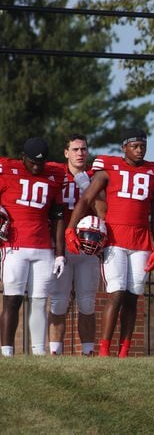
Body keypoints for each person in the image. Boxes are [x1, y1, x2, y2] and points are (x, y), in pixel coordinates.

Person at [65, 128, 154, 358]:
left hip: (141, 241)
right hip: (115, 239)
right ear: (124, 148)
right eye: (135, 146)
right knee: (116, 293)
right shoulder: (108, 167)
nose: (140, 150)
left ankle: (124, 351)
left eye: (143, 146)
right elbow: (86, 198)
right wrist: (71, 227)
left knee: (133, 297)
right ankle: (104, 350)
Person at [0, 137, 66, 356]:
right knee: (12, 299)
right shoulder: (8, 171)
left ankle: (38, 353)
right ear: (22, 158)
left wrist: (59, 254)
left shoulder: (54, 175)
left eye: (41, 163)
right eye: (32, 162)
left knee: (39, 301)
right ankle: (7, 352)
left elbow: (58, 216)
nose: (37, 166)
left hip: (43, 247)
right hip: (14, 246)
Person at [48, 134, 98, 356]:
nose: (80, 153)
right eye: (75, 149)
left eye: (83, 149)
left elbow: (104, 211)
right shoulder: (55, 173)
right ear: (66, 153)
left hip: (87, 247)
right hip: (61, 246)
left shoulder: (95, 177)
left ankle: (88, 352)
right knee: (58, 302)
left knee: (87, 302)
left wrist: (89, 187)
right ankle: (54, 352)